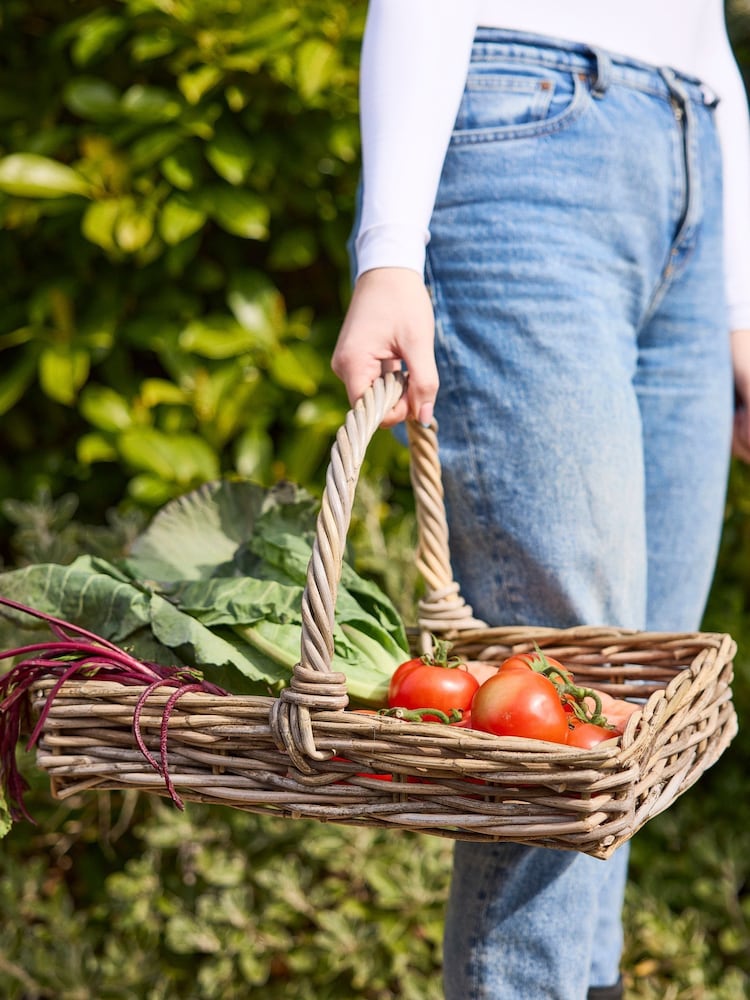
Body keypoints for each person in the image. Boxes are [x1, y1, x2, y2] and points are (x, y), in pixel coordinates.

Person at [331, 3, 750, 998]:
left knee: (631, 703)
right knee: (550, 712)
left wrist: (740, 300)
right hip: (525, 141)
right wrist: (389, 248)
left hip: (693, 139)